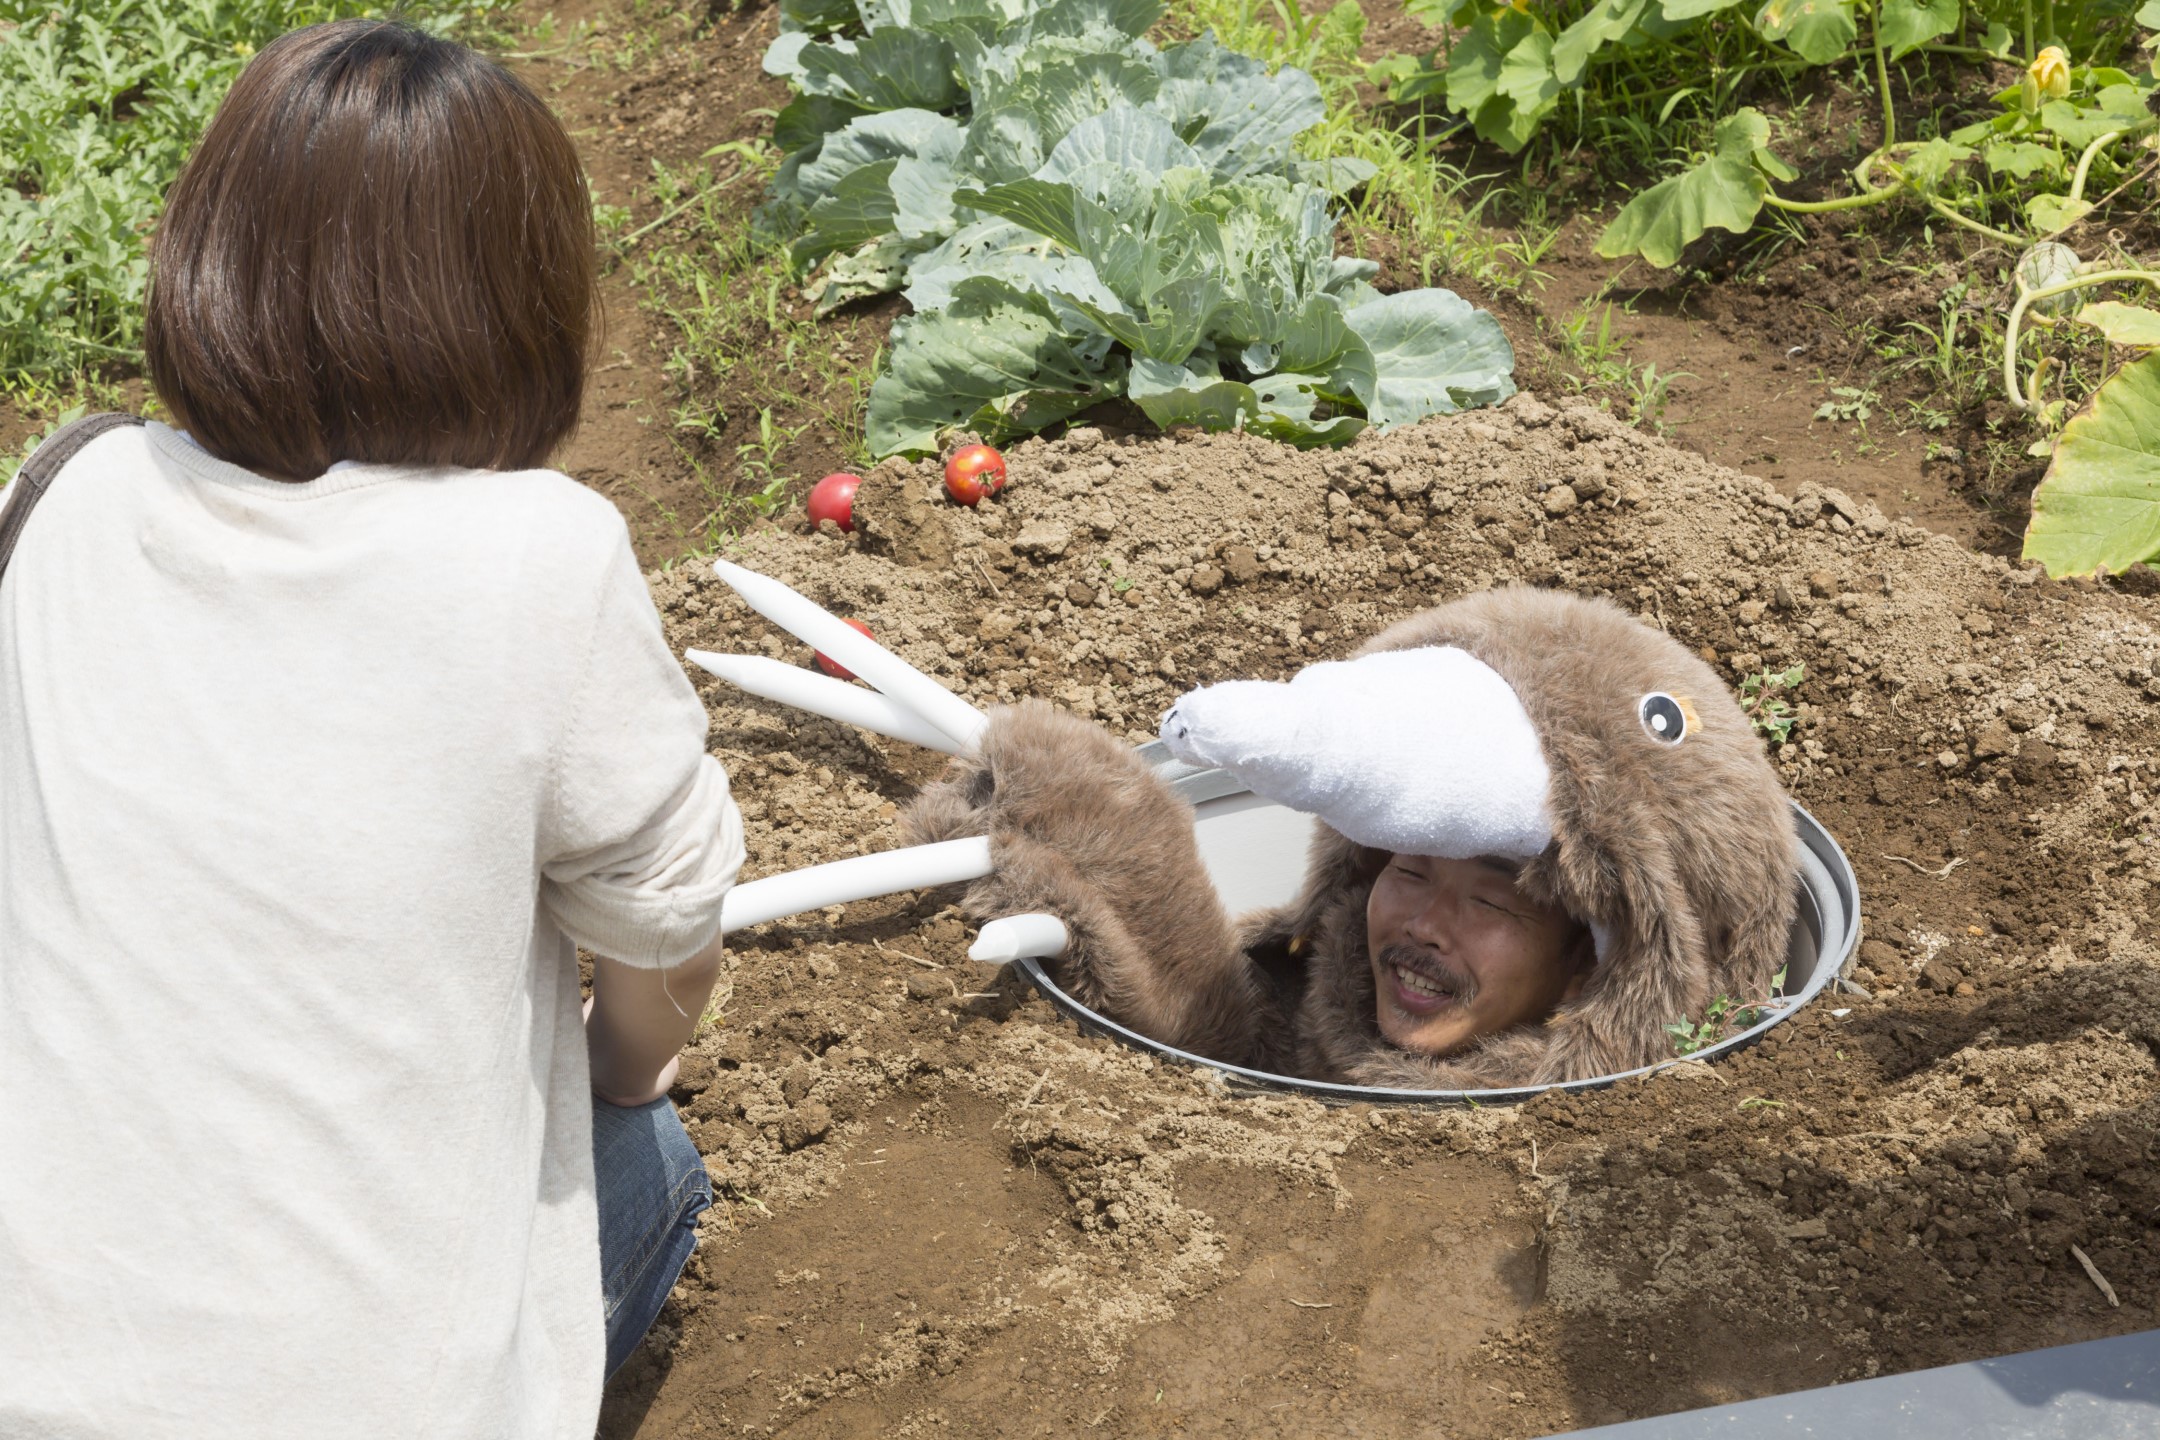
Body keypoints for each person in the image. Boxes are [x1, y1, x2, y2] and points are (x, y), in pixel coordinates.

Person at [0, 21, 742, 1438]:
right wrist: (617, 1062)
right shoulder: (542, 556)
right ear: (523, 298)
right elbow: (663, 933)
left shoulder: (58, 499)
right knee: (647, 1157)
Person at [906, 586, 1799, 1089]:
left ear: (1593, 967)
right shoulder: (1311, 1005)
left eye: (1492, 896)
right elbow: (1212, 1031)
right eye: (1408, 869)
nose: (1423, 924)